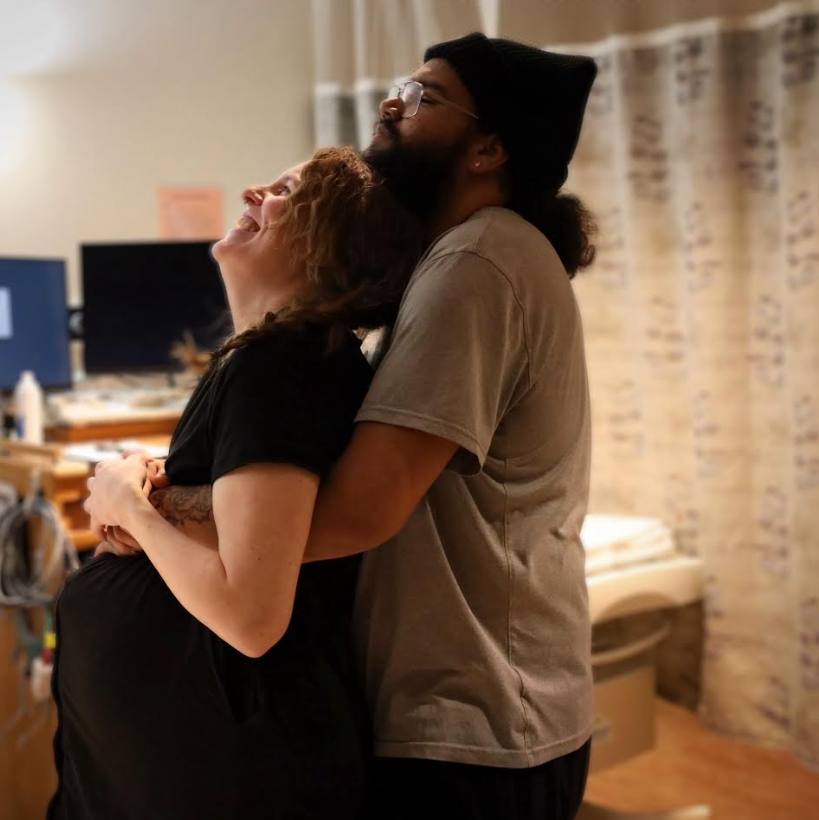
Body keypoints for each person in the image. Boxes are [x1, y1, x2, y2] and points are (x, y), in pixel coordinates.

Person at [106, 33, 601, 820]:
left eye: (427, 96)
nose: (391, 102)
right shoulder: (457, 264)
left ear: (489, 149)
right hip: (460, 714)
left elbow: (356, 511)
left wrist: (139, 509)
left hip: (473, 726)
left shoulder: (478, 259)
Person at [47, 146, 423, 819]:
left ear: (329, 251)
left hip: (228, 755)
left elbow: (251, 616)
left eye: (288, 190)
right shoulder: (274, 365)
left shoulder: (278, 368)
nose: (255, 190)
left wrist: (132, 511)